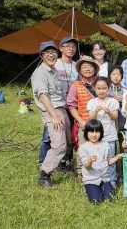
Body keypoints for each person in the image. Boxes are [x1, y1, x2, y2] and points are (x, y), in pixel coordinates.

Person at [31, 41, 71, 187]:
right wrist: (54, 116)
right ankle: (44, 176)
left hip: (61, 109)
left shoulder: (54, 71)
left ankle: (60, 166)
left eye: (53, 52)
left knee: (67, 141)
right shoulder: (40, 73)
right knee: (59, 145)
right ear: (41, 56)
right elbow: (43, 96)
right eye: (47, 52)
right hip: (52, 112)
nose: (51, 55)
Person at [39, 36, 78, 171]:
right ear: (61, 49)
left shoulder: (76, 65)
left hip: (70, 106)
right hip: (54, 107)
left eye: (73, 46)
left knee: (69, 136)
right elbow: (43, 92)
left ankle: (64, 162)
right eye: (67, 46)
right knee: (49, 136)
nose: (71, 48)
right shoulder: (54, 64)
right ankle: (43, 162)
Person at [67, 55, 99, 181]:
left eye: (90, 66)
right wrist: (80, 121)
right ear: (80, 70)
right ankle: (80, 172)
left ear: (95, 69)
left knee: (99, 148)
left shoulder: (101, 82)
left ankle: (98, 170)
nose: (87, 69)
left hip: (100, 124)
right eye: (84, 66)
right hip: (84, 122)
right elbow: (71, 106)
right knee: (82, 148)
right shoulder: (76, 85)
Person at [77, 119, 124, 204]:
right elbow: (86, 165)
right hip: (91, 179)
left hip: (105, 178)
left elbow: (109, 161)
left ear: (101, 133)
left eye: (97, 132)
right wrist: (90, 161)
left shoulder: (106, 145)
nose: (94, 135)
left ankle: (104, 187)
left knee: (110, 198)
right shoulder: (83, 147)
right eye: (91, 132)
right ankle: (87, 189)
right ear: (86, 133)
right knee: (96, 201)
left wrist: (117, 157)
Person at [87, 76, 119, 185]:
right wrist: (95, 111)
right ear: (94, 88)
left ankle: (111, 180)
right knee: (97, 159)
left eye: (104, 88)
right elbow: (90, 119)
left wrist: (108, 111)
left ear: (108, 88)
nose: (101, 91)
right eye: (99, 88)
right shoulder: (91, 102)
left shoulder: (113, 101)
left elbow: (115, 117)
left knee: (110, 159)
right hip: (96, 137)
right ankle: (97, 179)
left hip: (110, 136)